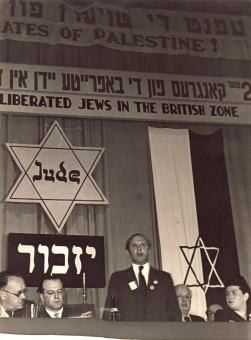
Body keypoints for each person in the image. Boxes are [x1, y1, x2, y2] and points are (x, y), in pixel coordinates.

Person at [102, 233, 181, 321]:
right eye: (134, 245)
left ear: (149, 250)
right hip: (129, 333)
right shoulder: (118, 278)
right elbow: (109, 312)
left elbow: (174, 313)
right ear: (128, 252)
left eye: (143, 245)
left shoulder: (164, 278)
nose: (139, 249)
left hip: (158, 333)